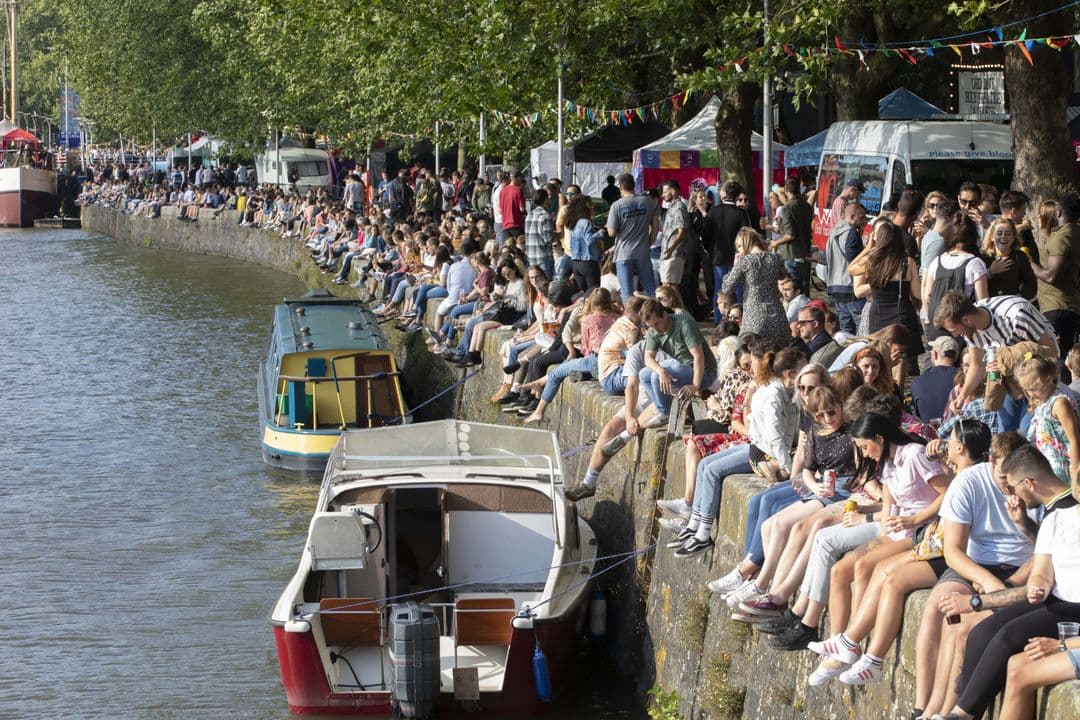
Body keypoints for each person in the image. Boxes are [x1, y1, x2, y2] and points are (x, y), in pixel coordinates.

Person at [935, 445, 1080, 720]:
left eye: (1013, 487)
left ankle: (961, 714)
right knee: (980, 633)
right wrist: (1038, 584)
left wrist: (976, 602)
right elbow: (1041, 570)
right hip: (1056, 600)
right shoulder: (1056, 517)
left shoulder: (1062, 509)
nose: (1011, 494)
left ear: (1029, 483)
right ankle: (958, 711)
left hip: (1074, 608)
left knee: (1007, 637)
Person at [805, 412, 946, 686]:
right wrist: (880, 532)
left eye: (865, 446)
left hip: (921, 530)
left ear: (879, 438)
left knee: (869, 566)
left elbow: (948, 492)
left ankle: (850, 644)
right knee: (841, 569)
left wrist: (916, 519)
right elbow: (889, 504)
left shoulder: (914, 454)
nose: (865, 453)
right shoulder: (888, 462)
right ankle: (840, 643)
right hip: (897, 529)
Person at [668, 344, 805, 557]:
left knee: (711, 469)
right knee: (706, 466)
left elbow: (770, 432)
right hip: (762, 452)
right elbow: (774, 437)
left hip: (759, 449)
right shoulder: (775, 393)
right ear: (790, 373)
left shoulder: (777, 390)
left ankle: (702, 531)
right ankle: (697, 525)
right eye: (803, 369)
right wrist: (787, 466)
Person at [934, 290, 1060, 431]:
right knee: (1005, 432)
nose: (955, 335)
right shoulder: (970, 329)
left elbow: (1051, 352)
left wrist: (1009, 361)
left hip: (1038, 377)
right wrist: (962, 397)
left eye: (954, 329)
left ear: (966, 320)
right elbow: (977, 365)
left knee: (1027, 431)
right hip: (1009, 381)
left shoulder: (1015, 316)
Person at [524, 288, 620, 424]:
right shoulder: (618, 318)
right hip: (614, 360)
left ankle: (539, 411)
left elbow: (586, 347)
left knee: (556, 373)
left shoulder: (587, 319)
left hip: (595, 359)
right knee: (567, 366)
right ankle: (540, 383)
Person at [637, 298, 717, 429]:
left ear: (665, 315)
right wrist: (661, 371)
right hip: (682, 365)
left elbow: (698, 356)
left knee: (656, 377)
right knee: (644, 374)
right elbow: (648, 358)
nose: (654, 329)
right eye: (650, 326)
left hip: (705, 372)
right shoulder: (653, 331)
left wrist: (695, 386)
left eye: (656, 324)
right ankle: (663, 409)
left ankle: (666, 413)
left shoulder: (684, 324)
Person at [1016, 354, 1080, 485]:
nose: (1031, 394)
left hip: (1065, 470)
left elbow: (1074, 440)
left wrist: (1075, 472)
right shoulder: (1041, 401)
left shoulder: (1059, 403)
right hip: (1048, 469)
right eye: (1027, 390)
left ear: (1049, 379)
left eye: (1034, 388)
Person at [1030, 192, 1080, 359]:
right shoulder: (1075, 233)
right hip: (1068, 306)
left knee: (1056, 359)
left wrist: (1029, 262)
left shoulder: (1061, 238)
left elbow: (1051, 276)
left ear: (1058, 212)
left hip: (1057, 308)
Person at [723, 227, 791, 348]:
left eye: (739, 247)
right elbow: (783, 276)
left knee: (750, 353)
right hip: (777, 315)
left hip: (754, 318)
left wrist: (734, 267)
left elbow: (727, 288)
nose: (738, 251)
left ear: (744, 243)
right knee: (779, 353)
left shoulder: (745, 262)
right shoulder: (775, 258)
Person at [606, 173, 660, 303]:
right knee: (651, 289)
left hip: (623, 253)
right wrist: (649, 243)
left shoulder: (616, 205)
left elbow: (611, 232)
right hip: (643, 252)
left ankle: (630, 315)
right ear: (634, 185)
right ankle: (655, 312)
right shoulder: (649, 202)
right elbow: (656, 228)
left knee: (627, 292)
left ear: (620, 187)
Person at [703, 181, 751, 322]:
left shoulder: (713, 211)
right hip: (737, 256)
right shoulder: (741, 213)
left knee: (719, 290)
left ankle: (719, 320)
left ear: (725, 194)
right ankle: (739, 319)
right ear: (737, 196)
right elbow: (746, 235)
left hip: (718, 256)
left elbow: (705, 234)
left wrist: (710, 250)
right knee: (738, 289)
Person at [823, 202, 868, 335]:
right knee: (861, 326)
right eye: (861, 217)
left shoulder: (834, 233)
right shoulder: (851, 233)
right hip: (850, 286)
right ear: (852, 217)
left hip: (835, 285)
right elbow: (854, 260)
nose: (864, 221)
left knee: (846, 327)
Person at [774, 176, 814, 295]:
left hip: (791, 253)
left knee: (793, 290)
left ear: (786, 189)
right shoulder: (806, 205)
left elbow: (790, 235)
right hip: (805, 253)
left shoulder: (787, 208)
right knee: (804, 290)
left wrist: (775, 242)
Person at [910, 336, 962, 423]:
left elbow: (917, 414)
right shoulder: (965, 379)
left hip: (929, 430)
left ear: (935, 354)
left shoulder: (917, 382)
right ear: (956, 357)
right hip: (961, 428)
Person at [982, 217, 1037, 300]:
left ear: (1013, 238)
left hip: (1014, 304)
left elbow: (1031, 284)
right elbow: (972, 284)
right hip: (990, 306)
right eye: (999, 233)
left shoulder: (1020, 256)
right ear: (992, 237)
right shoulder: (983, 257)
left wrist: (1018, 297)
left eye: (1008, 234)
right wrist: (990, 272)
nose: (1003, 237)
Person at [659, 180, 691, 287]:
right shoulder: (672, 207)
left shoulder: (678, 207)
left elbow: (682, 231)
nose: (663, 195)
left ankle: (679, 301)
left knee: (670, 287)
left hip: (674, 253)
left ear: (673, 191)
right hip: (669, 253)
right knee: (668, 286)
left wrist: (671, 249)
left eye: (665, 192)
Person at [524, 188, 555, 279]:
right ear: (545, 199)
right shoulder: (545, 216)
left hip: (531, 257)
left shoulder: (529, 215)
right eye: (548, 198)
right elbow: (548, 239)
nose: (549, 200)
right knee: (545, 284)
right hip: (544, 258)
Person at [499, 170, 526, 242]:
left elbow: (500, 210)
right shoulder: (518, 190)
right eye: (521, 178)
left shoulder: (502, 191)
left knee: (509, 246)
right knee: (519, 246)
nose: (521, 180)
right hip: (516, 224)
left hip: (505, 225)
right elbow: (522, 208)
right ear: (517, 178)